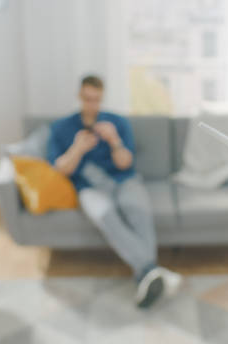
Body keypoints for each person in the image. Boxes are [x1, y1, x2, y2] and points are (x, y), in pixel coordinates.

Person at [47, 75, 181, 308]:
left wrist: (114, 141)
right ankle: (150, 271)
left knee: (137, 211)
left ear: (102, 98)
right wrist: (77, 149)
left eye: (96, 99)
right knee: (107, 217)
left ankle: (146, 275)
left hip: (124, 181)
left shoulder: (116, 123)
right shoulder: (61, 128)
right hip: (89, 189)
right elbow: (60, 170)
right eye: (87, 99)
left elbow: (125, 163)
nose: (92, 105)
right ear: (79, 96)